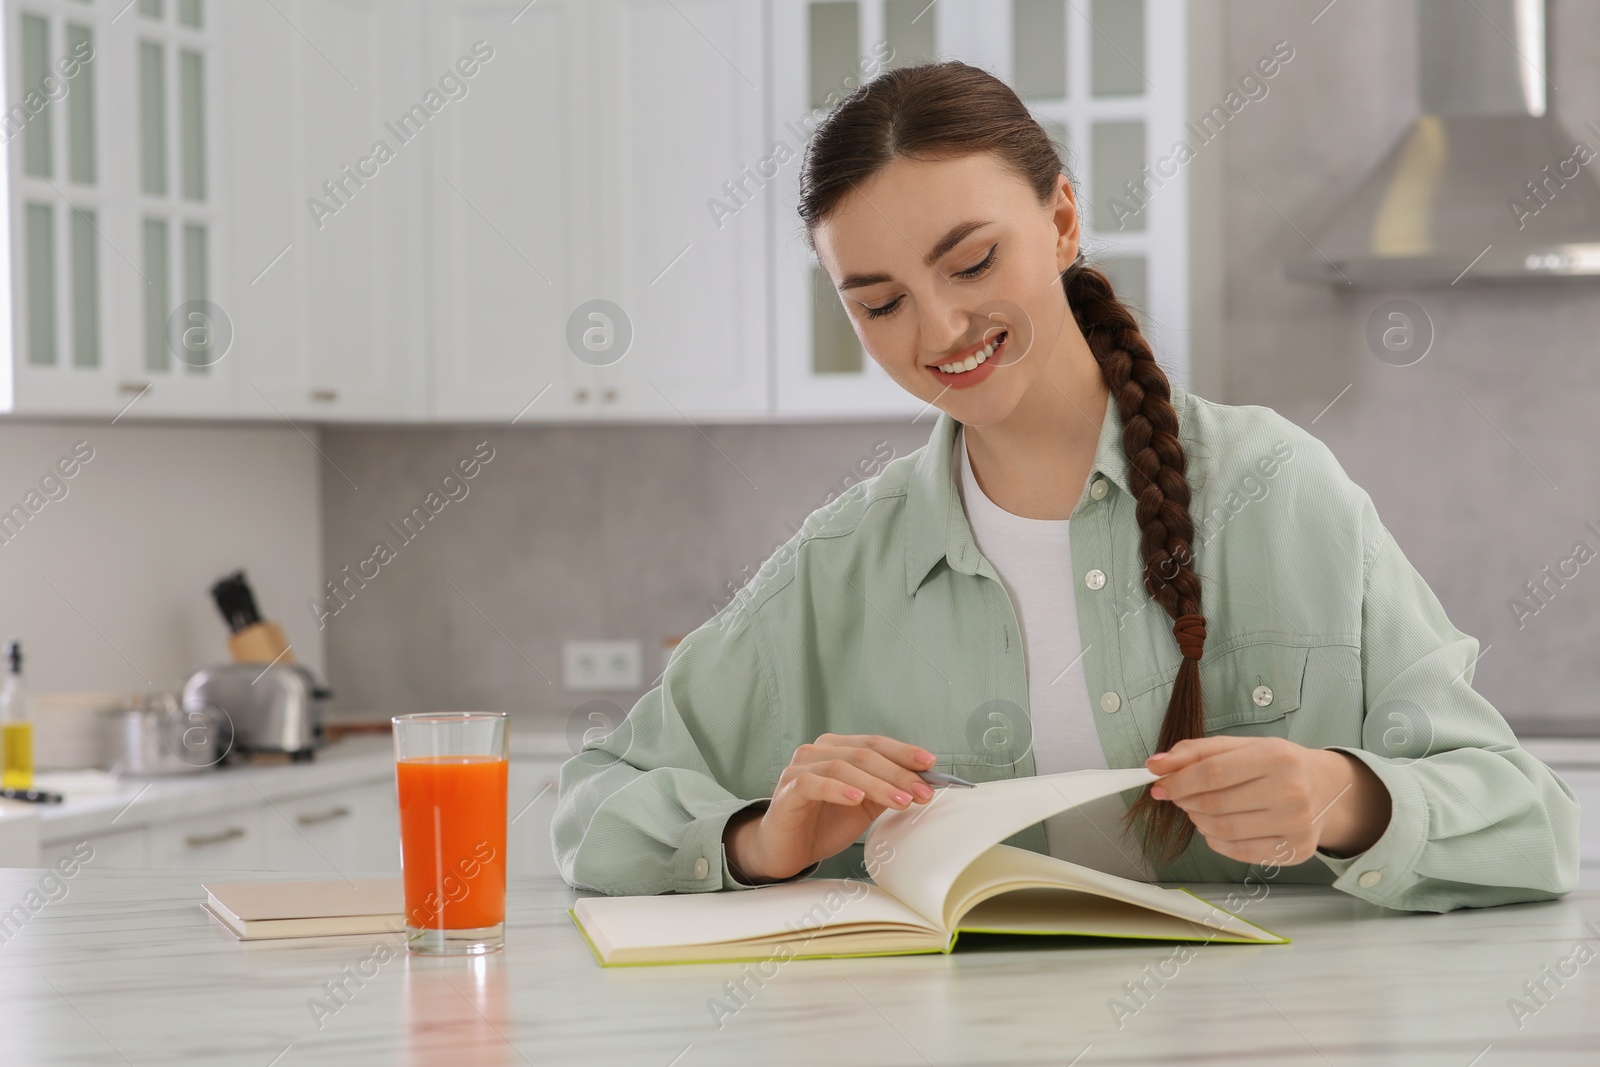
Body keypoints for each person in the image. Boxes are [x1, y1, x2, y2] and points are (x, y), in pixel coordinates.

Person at [552, 60, 1577, 912]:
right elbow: (597, 800)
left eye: (970, 261)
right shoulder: (838, 568)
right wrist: (757, 838)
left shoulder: (1278, 489)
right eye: (879, 302)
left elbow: (1528, 819)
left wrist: (1345, 797)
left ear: (1063, 218)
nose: (940, 331)